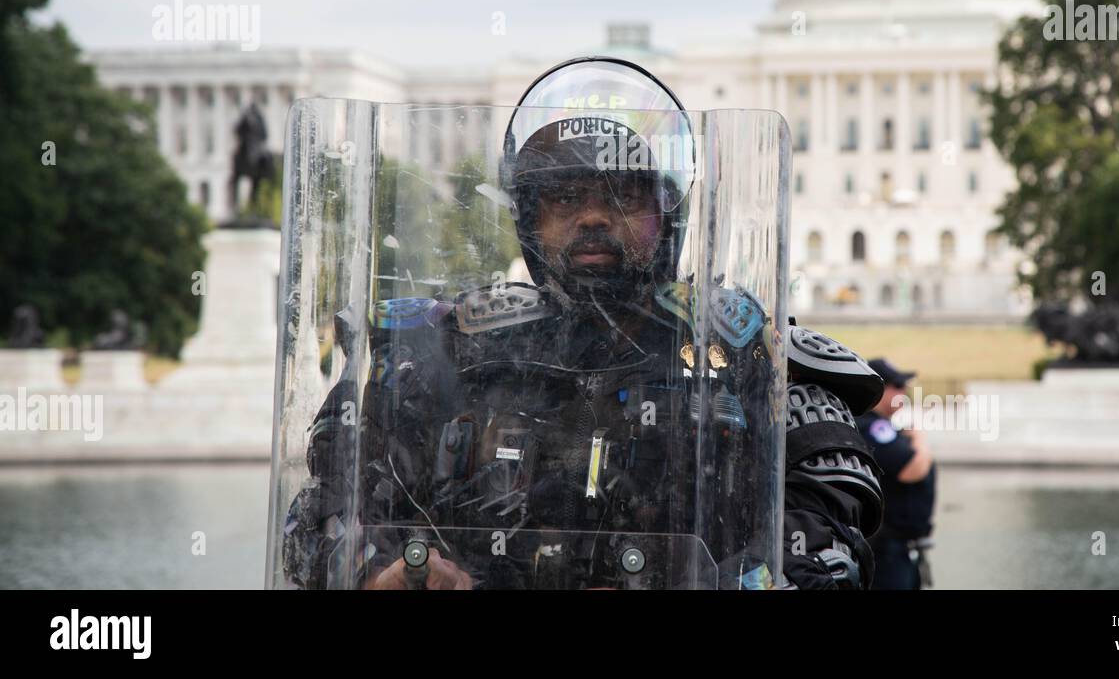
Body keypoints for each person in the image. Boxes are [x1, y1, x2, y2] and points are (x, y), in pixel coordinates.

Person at [276, 56, 882, 589]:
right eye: (564, 197)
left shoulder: (748, 358)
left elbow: (823, 547)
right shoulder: (438, 352)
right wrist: (379, 569)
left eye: (623, 195)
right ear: (528, 217)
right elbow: (316, 515)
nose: (593, 216)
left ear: (667, 213)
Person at [855, 358, 935, 590]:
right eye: (897, 386)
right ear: (879, 389)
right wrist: (920, 437)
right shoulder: (872, 426)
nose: (904, 391)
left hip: (898, 548)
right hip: (885, 548)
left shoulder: (883, 426)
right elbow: (912, 470)